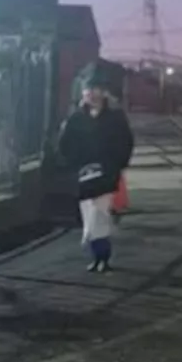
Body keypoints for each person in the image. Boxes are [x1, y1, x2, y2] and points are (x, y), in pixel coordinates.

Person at [57, 79, 134, 273]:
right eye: (88, 90)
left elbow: (126, 142)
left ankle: (103, 257)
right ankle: (97, 254)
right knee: (88, 213)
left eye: (95, 90)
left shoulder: (115, 117)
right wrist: (73, 163)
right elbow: (65, 144)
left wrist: (117, 165)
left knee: (99, 212)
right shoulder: (76, 118)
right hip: (84, 173)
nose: (91, 94)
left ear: (103, 93)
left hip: (106, 173)